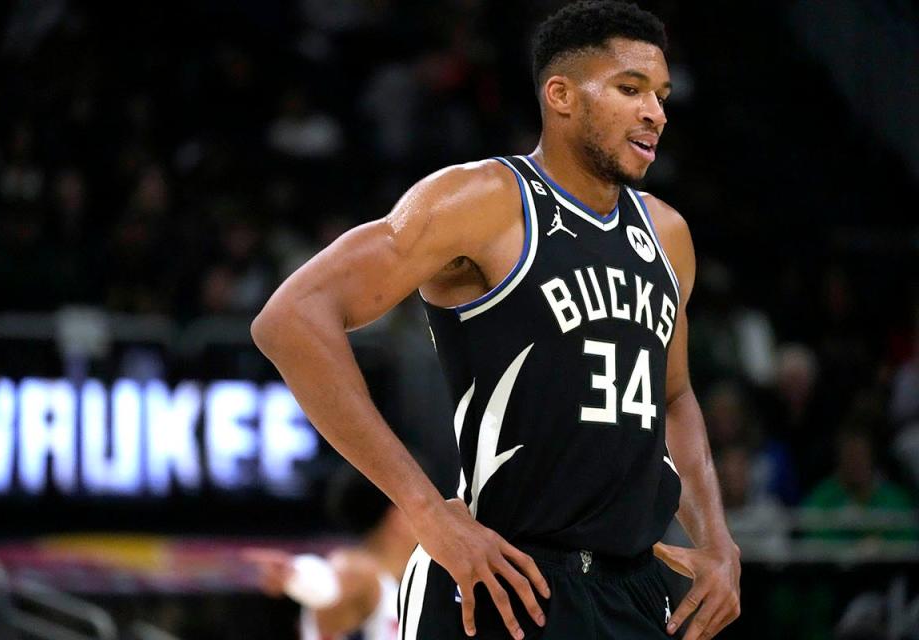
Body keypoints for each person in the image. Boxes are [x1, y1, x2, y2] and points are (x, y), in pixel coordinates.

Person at [251, 2, 741, 638]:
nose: (657, 112)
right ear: (560, 95)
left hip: (634, 591)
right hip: (502, 580)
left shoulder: (667, 233)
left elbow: (673, 394)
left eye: (662, 94)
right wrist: (425, 510)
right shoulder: (485, 200)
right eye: (630, 89)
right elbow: (290, 317)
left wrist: (719, 543)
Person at [245, 464, 417, 639]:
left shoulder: (404, 589)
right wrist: (297, 575)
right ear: (398, 517)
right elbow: (332, 584)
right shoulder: (360, 573)